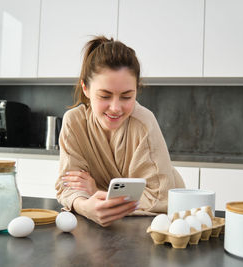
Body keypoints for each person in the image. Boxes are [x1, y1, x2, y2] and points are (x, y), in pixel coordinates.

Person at [55, 36, 184, 227]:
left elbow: (159, 197)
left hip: (162, 222)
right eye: (105, 95)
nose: (115, 108)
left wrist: (96, 193)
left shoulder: (143, 123)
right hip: (108, 224)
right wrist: (83, 206)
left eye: (126, 96)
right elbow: (68, 187)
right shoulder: (74, 123)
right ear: (86, 89)